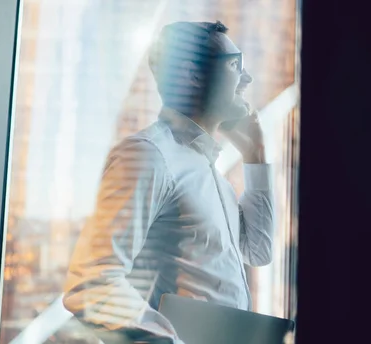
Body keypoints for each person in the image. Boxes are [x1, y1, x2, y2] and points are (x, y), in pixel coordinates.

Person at [63, 21, 274, 344]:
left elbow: (257, 251)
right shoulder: (149, 155)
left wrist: (255, 154)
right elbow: (92, 284)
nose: (247, 78)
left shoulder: (207, 170)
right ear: (193, 74)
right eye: (235, 65)